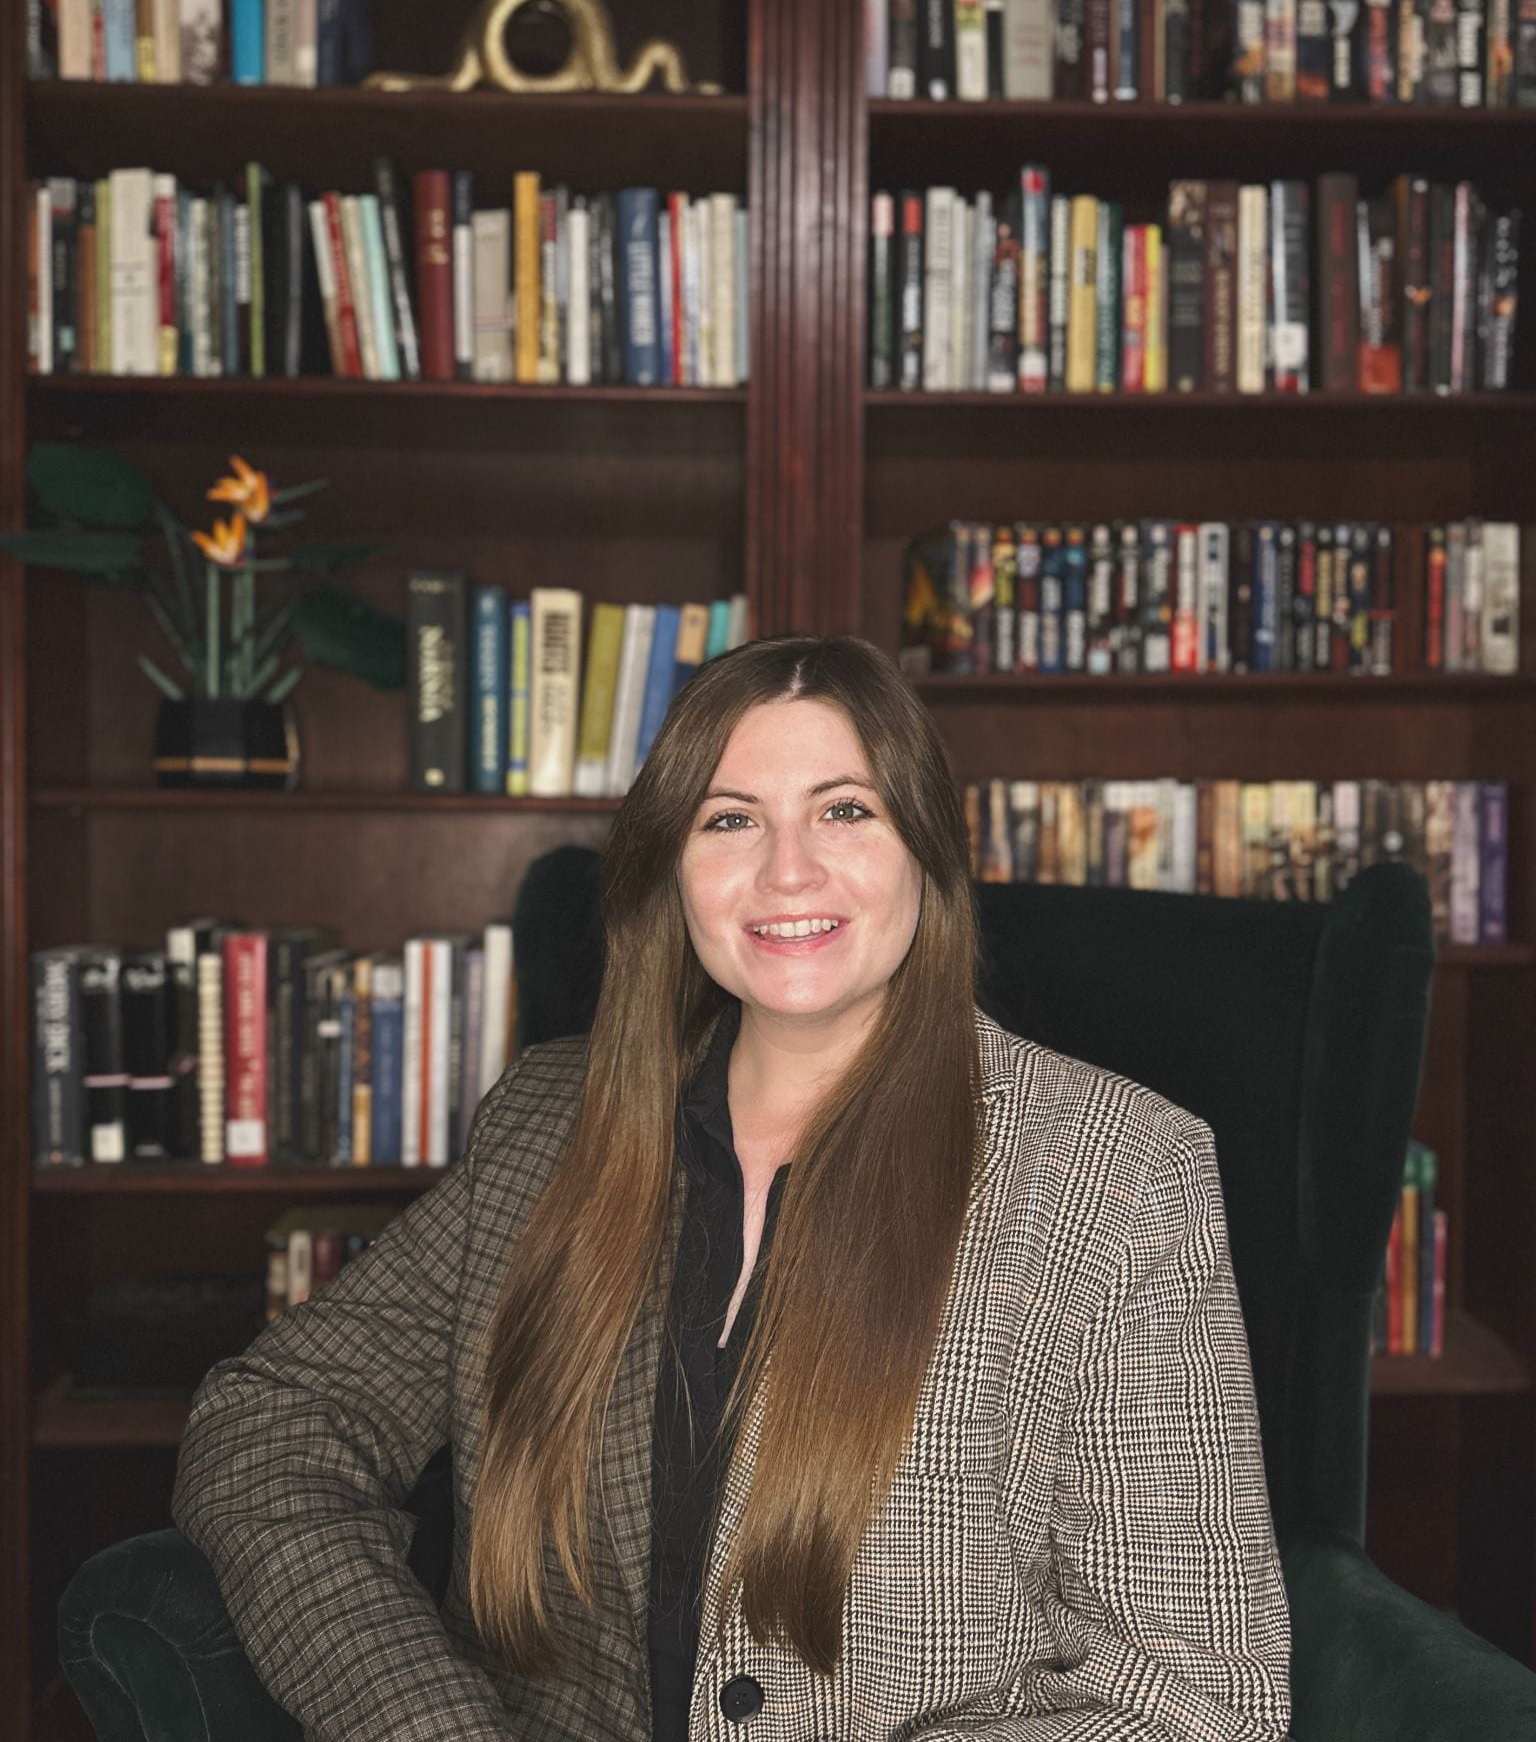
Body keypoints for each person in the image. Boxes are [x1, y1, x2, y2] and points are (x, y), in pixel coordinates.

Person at [171, 632, 1292, 1742]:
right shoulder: (544, 1127)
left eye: (845, 810)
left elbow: (1199, 1701)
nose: (787, 871)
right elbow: (271, 1423)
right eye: (729, 819)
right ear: (674, 869)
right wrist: (428, 1723)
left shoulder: (1117, 1175)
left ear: (929, 847)